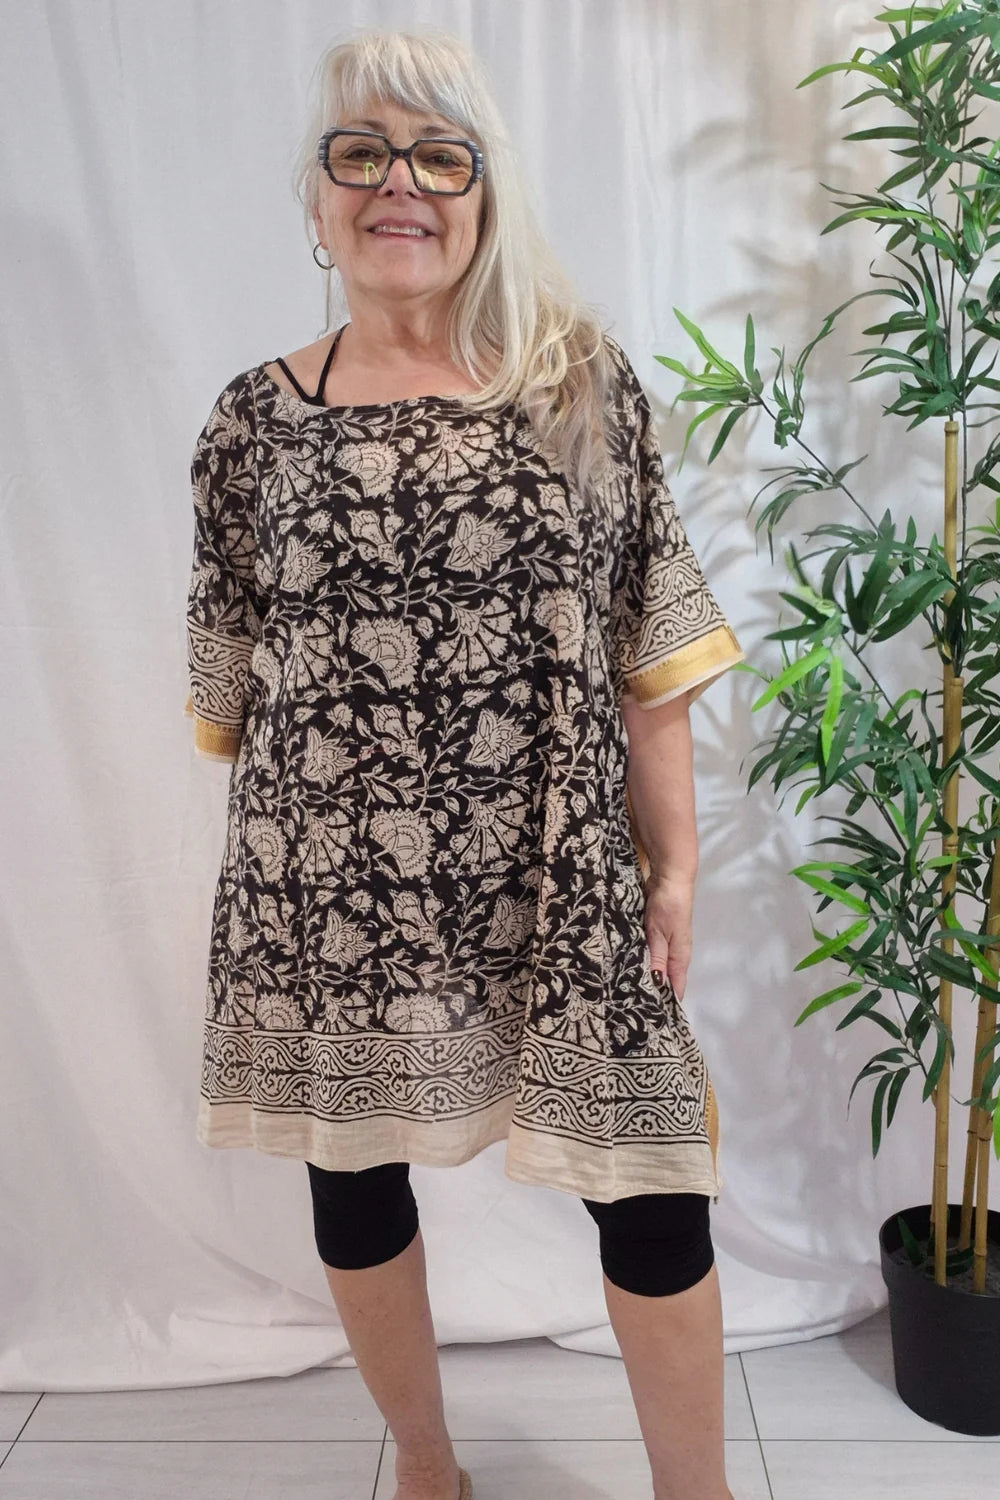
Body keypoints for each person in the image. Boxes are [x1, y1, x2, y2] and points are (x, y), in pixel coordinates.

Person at [183, 27, 744, 1500]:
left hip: (558, 868)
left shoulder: (575, 386)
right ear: (315, 198)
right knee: (355, 1177)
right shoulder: (253, 424)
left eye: (440, 156)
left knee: (653, 1186)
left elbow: (647, 640)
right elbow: (236, 683)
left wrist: (676, 867)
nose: (401, 186)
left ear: (485, 193)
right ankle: (428, 1469)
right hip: (333, 886)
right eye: (361, 154)